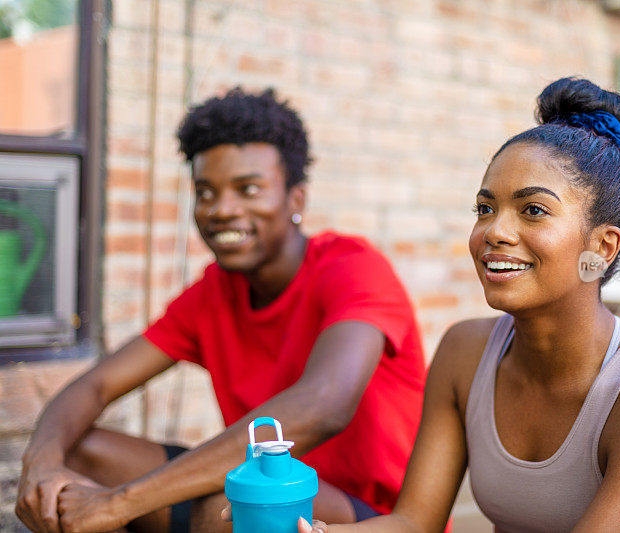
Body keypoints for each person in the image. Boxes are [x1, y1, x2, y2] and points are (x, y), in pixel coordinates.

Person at [297, 77, 620, 533]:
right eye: (485, 209)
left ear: (603, 247)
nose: (493, 232)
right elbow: (414, 522)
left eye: (533, 210)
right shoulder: (464, 353)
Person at [16, 88, 427, 533]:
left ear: (296, 200)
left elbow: (324, 406)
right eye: (206, 192)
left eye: (248, 189)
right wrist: (41, 468)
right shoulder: (213, 292)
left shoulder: (352, 269)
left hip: (373, 516)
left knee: (232, 510)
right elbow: (95, 386)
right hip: (258, 490)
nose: (222, 210)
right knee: (77, 453)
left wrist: (120, 503)